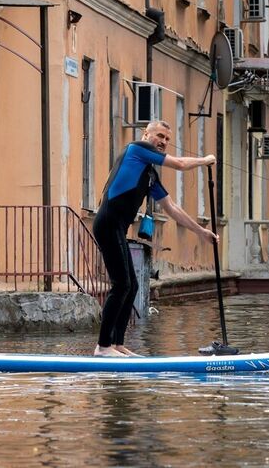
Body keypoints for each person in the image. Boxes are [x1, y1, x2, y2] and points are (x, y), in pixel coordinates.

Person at [92, 119, 217, 357]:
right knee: (121, 285)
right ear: (146, 134)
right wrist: (204, 160)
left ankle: (117, 345)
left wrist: (201, 232)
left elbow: (171, 208)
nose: (163, 142)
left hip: (116, 227)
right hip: (108, 222)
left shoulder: (148, 174)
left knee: (132, 285)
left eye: (168, 139)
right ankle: (103, 347)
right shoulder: (137, 149)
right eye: (159, 136)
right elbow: (179, 164)